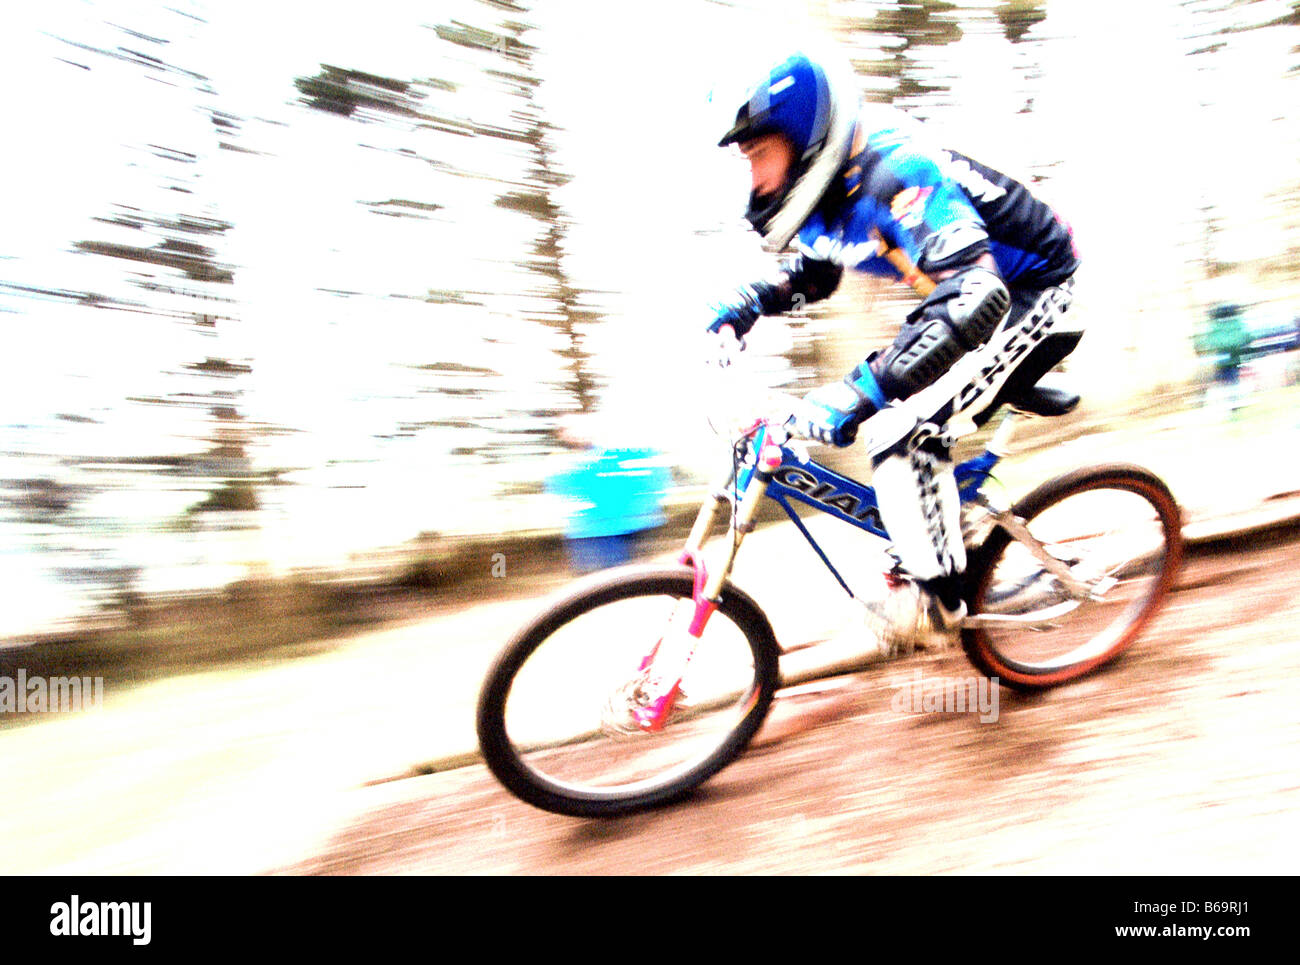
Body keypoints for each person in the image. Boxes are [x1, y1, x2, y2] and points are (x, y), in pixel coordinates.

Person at [707, 52, 1082, 653]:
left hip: (1030, 287)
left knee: (902, 435)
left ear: (804, 135)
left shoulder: (897, 169)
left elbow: (976, 296)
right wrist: (750, 301)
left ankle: (939, 601)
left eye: (757, 155)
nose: (754, 179)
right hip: (958, 290)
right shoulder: (829, 187)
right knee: (897, 416)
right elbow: (821, 269)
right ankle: (941, 531)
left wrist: (863, 389)